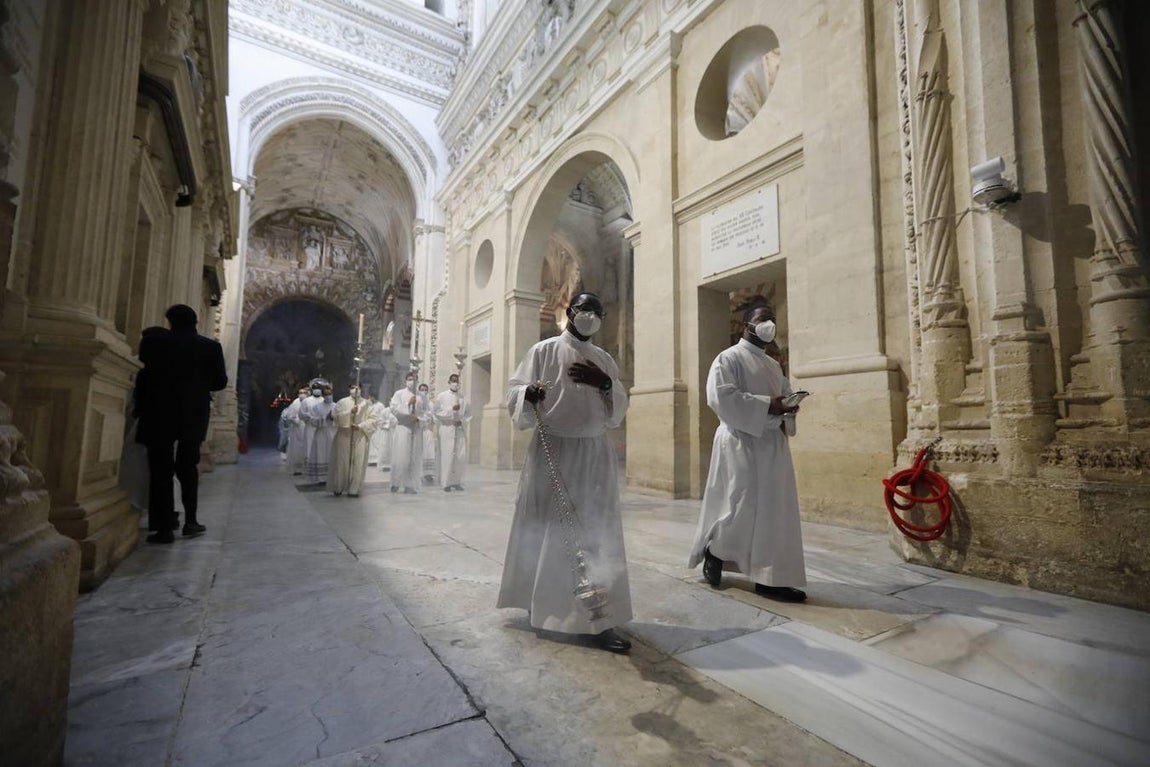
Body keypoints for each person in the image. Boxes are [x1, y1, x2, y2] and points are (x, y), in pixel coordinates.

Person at [497, 292, 632, 654]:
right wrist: (528, 393)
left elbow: (618, 409)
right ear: (570, 312)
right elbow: (513, 393)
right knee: (550, 529)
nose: (591, 315)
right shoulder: (543, 351)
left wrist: (605, 383)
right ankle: (546, 606)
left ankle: (597, 617)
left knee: (595, 531)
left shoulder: (604, 359)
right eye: (585, 308)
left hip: (594, 454)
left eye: (597, 311)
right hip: (553, 450)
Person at [687, 305, 807, 602]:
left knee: (774, 510)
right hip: (739, 440)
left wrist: (789, 407)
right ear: (746, 325)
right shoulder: (728, 358)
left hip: (772, 443)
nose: (769, 324)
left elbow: (783, 397)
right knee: (739, 504)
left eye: (772, 319)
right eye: (762, 319)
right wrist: (768, 404)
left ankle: (770, 578)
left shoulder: (774, 365)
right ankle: (715, 551)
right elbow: (720, 397)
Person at [135, 305, 227, 543]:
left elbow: (145, 370)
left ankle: (164, 527)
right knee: (188, 467)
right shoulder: (210, 347)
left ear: (170, 322)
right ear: (195, 322)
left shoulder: (154, 343)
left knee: (160, 470)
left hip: (158, 411)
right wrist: (197, 385)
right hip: (192, 413)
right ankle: (191, 521)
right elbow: (220, 382)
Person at [121, 326, 169, 519]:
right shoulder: (172, 368)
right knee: (161, 468)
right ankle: (163, 513)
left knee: (137, 462)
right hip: (167, 425)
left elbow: (136, 400)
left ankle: (137, 501)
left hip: (144, 423)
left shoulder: (142, 369)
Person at [327, 384, 381, 497]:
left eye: (358, 388)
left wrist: (360, 426)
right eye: (352, 388)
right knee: (341, 462)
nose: (355, 390)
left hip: (360, 435)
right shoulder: (342, 402)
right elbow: (335, 416)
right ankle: (338, 486)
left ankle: (354, 489)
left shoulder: (367, 404)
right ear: (349, 389)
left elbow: (373, 420)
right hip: (344, 434)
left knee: (358, 463)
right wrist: (350, 412)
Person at [388, 373, 430, 493]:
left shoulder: (422, 397)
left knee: (414, 458)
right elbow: (394, 409)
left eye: (414, 379)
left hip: (416, 429)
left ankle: (410, 485)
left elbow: (428, 413)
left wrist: (419, 419)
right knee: (401, 457)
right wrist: (408, 404)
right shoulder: (399, 394)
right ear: (406, 380)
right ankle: (396, 483)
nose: (412, 381)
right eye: (410, 379)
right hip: (403, 428)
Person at [434, 373, 472, 491]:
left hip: (459, 430)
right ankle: (446, 483)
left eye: (457, 381)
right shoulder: (441, 396)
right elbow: (437, 412)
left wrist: (462, 421)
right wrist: (451, 410)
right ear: (449, 382)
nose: (455, 383)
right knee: (447, 455)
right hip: (447, 429)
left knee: (460, 456)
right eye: (453, 381)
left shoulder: (463, 398)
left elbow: (469, 414)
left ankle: (457, 482)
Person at [300, 379, 337, 485]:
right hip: (320, 434)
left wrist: (334, 419)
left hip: (333, 433)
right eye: (326, 394)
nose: (328, 396)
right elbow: (313, 420)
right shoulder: (317, 407)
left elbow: (341, 419)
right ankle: (321, 478)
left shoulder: (336, 406)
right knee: (320, 454)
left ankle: (332, 476)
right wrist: (326, 418)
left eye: (330, 394)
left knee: (331, 455)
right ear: (323, 395)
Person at [280, 387, 310, 475]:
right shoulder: (295, 403)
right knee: (296, 448)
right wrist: (296, 420)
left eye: (304, 392)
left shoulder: (309, 402)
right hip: (297, 429)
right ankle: (297, 468)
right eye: (300, 392)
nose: (302, 394)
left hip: (307, 428)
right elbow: (290, 415)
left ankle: (307, 467)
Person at [418, 382, 438, 484]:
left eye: (426, 390)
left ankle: (428, 473)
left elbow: (435, 416)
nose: (424, 392)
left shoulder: (430, 404)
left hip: (428, 431)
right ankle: (418, 473)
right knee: (419, 452)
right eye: (422, 390)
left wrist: (431, 418)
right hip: (419, 431)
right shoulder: (417, 402)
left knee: (429, 451)